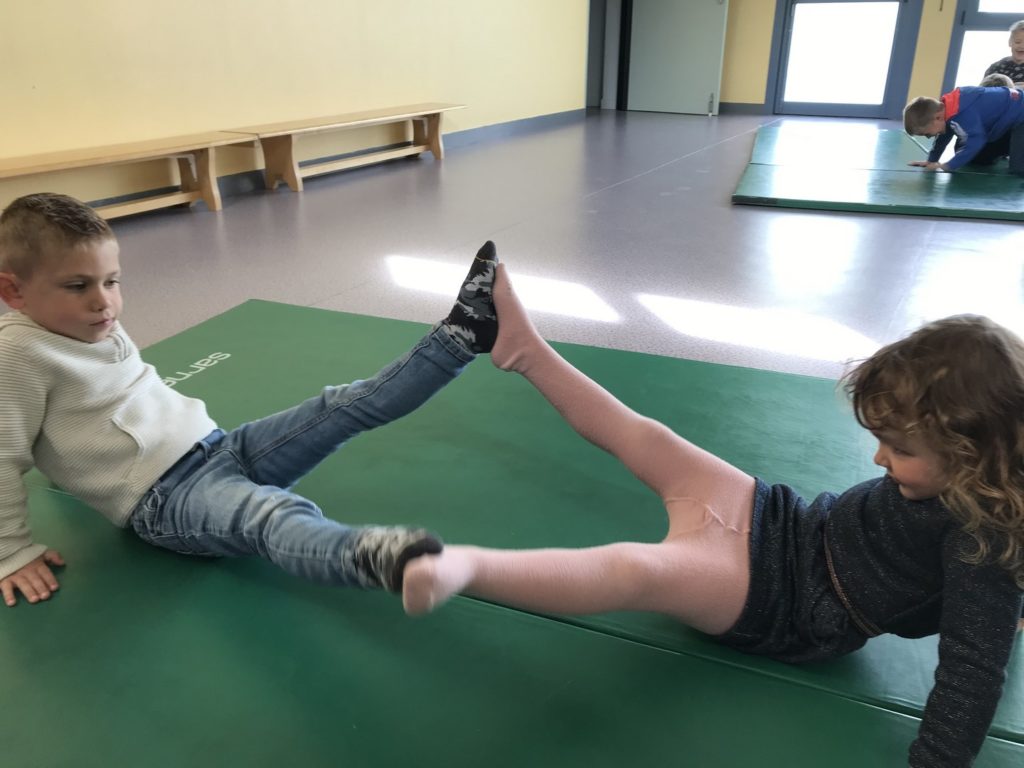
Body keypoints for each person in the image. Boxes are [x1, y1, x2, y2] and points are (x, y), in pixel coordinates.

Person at [402, 254, 1024, 768]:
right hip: (789, 524)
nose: (879, 458)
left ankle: (462, 567)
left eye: (901, 450)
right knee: (651, 439)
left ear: (973, 456)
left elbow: (971, 672)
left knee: (636, 571)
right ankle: (523, 348)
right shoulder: (982, 475)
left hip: (794, 607)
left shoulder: (981, 546)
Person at [0, 192, 501, 607]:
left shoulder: (84, 320)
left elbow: (84, 409)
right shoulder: (17, 354)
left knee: (340, 406)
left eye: (112, 281)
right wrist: (11, 552)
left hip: (221, 448)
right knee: (270, 516)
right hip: (167, 500)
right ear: (13, 292)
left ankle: (460, 337)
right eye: (78, 286)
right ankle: (369, 557)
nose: (103, 301)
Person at [903, 85, 1024, 174]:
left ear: (937, 117)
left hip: (1021, 117)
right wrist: (932, 160)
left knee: (1017, 168)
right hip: (1012, 116)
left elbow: (977, 140)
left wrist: (949, 165)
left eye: (927, 133)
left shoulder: (962, 114)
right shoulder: (949, 108)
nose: (929, 137)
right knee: (970, 154)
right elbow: (944, 136)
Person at [983, 20, 1024, 87]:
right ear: (1010, 42)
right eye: (1018, 42)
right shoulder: (996, 67)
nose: (1022, 46)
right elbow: (983, 90)